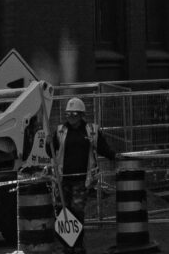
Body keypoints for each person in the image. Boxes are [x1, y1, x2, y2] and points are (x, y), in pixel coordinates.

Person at [49, 96, 116, 247]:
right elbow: (50, 151)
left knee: (77, 210)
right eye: (68, 114)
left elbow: (103, 148)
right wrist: (48, 143)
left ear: (81, 115)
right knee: (62, 211)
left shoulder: (91, 131)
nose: (70, 118)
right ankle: (67, 244)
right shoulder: (60, 131)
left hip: (82, 179)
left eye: (74, 114)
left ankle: (77, 244)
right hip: (63, 179)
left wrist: (114, 156)